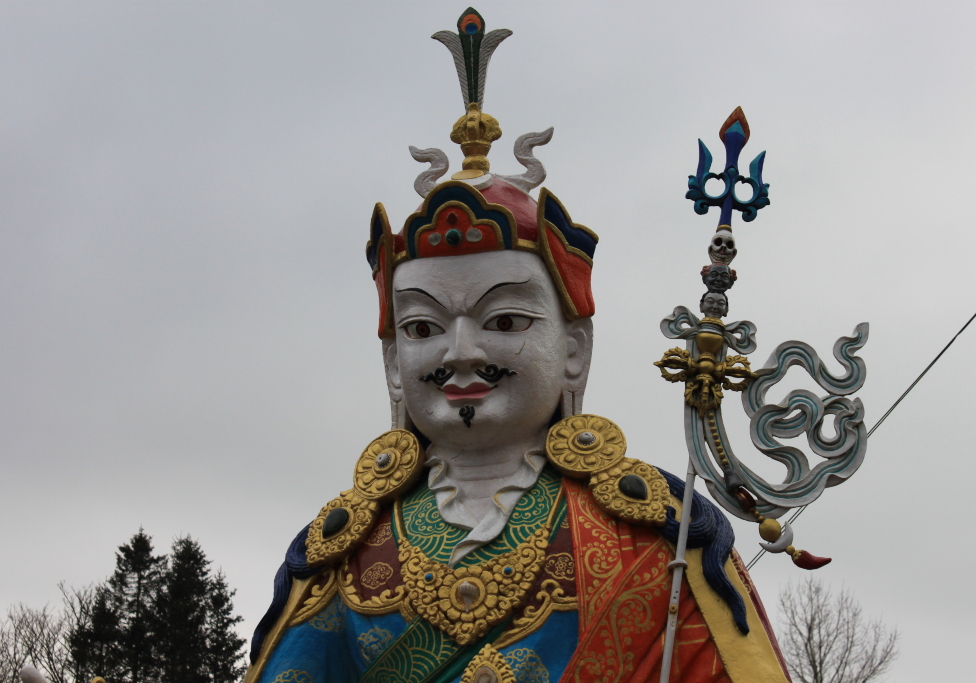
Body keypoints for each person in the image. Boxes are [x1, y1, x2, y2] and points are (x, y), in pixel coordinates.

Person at [243, 9, 790, 683]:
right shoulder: (347, 550)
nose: (461, 351)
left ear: (574, 351)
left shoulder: (654, 540)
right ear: (392, 363)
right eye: (421, 328)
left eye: (504, 321)